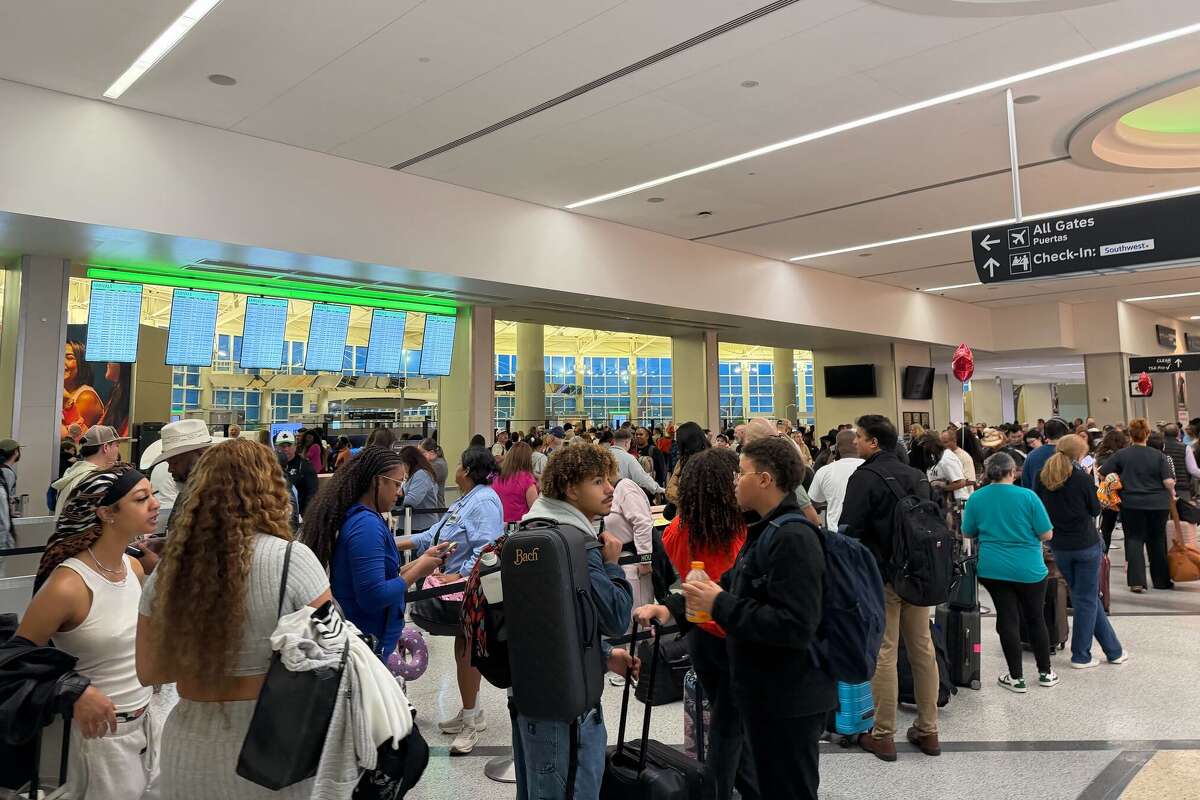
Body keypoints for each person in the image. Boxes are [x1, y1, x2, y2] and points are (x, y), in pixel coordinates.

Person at [136, 439, 334, 798]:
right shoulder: (293, 559)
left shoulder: (173, 569)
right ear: (272, 489)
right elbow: (331, 654)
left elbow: (150, 671)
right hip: (275, 745)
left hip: (190, 745)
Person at [680, 436, 834, 800]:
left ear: (765, 480)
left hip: (793, 696)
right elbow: (731, 584)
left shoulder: (793, 537)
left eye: (742, 473)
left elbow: (795, 625)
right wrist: (673, 607)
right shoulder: (764, 530)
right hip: (770, 691)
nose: (734, 480)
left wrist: (718, 604)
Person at [18, 464, 160, 799]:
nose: (154, 503)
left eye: (152, 494)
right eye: (141, 498)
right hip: (99, 740)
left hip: (145, 728)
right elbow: (15, 660)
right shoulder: (68, 586)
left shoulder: (134, 567)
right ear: (107, 513)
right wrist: (72, 689)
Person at [512, 444, 636, 800]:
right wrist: (612, 563)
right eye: (598, 481)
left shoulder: (530, 531)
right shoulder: (578, 542)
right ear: (570, 489)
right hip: (571, 708)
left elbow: (554, 621)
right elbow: (615, 615)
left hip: (530, 696)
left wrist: (603, 653)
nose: (610, 488)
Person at [633, 448, 756, 800]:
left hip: (701, 637)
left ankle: (748, 787)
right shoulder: (741, 533)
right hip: (734, 636)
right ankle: (716, 793)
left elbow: (678, 576)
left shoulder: (677, 532)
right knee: (730, 729)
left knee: (726, 719)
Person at [840, 415, 940, 762]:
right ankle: (928, 730)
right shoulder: (916, 475)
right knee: (922, 648)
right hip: (919, 574)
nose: (855, 442)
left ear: (873, 443)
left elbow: (849, 529)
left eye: (860, 437)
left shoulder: (864, 477)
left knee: (885, 649)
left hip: (882, 576)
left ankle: (883, 735)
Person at [302, 445, 449, 660]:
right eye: (397, 484)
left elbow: (384, 574)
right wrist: (417, 572)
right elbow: (374, 595)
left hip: (369, 641)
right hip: (367, 645)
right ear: (377, 481)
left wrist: (423, 561)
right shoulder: (365, 526)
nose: (400, 492)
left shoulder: (366, 518)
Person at [401, 447, 504, 754]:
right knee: (463, 649)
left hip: (472, 590)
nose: (456, 469)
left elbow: (486, 548)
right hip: (461, 586)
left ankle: (471, 721)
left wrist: (459, 575)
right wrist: (391, 540)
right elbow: (433, 535)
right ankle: (471, 711)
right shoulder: (466, 500)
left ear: (469, 470)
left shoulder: (484, 501)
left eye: (460, 464)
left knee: (468, 651)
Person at [962, 452, 1058, 692]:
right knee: (1036, 617)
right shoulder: (1028, 496)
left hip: (993, 568)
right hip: (1029, 568)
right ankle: (1045, 672)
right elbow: (1047, 534)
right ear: (1012, 471)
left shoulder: (977, 498)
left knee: (1007, 618)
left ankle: (1016, 678)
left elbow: (967, 532)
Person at [1037, 435, 1128, 668]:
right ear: (1079, 454)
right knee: (1086, 599)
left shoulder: (1043, 478)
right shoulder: (1081, 478)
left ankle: (1114, 650)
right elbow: (1094, 508)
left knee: (1083, 596)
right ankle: (1081, 655)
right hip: (1085, 544)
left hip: (1059, 546)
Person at [1099, 418, 1176, 592]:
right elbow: (1168, 481)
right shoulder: (1160, 456)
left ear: (1130, 435)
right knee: (1157, 540)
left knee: (1134, 539)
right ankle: (1161, 581)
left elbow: (1103, 473)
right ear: (1147, 434)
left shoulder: (1121, 455)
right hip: (1158, 503)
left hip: (1131, 503)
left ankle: (1136, 581)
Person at [603, 458, 655, 642]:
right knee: (624, 622)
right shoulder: (607, 494)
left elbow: (642, 523)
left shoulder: (625, 487)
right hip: (617, 563)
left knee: (638, 619)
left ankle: (645, 664)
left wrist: (645, 560)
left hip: (633, 563)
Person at [741, 418, 823, 526]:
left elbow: (812, 519)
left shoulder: (781, 474)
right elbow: (813, 519)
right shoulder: (782, 472)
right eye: (776, 437)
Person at [148, 419, 216, 538]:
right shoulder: (186, 493)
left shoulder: (222, 497)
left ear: (201, 454)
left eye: (175, 462)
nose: (170, 469)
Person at [50, 425, 129, 517]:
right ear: (106, 447)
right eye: (117, 446)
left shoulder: (74, 474)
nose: (117, 450)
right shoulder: (95, 481)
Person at [808, 429, 863, 530]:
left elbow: (814, 501)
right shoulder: (871, 467)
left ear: (836, 448)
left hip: (836, 534)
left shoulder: (825, 471)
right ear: (858, 444)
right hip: (867, 535)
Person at [394, 445, 442, 534]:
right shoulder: (413, 475)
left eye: (402, 464)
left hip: (421, 527)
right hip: (410, 525)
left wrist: (394, 499)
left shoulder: (421, 474)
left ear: (410, 462)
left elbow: (412, 500)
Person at [492, 441, 540, 525]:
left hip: (499, 529)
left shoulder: (497, 478)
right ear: (527, 459)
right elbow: (535, 513)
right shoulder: (527, 479)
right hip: (520, 530)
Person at [62, 340, 102, 438]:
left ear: (81, 363)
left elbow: (76, 438)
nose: (61, 362)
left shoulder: (86, 397)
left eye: (69, 358)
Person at [608, 427, 663, 497]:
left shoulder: (603, 454)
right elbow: (643, 479)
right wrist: (659, 489)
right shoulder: (629, 458)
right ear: (626, 443)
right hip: (621, 496)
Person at [275, 429, 318, 514]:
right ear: (276, 447)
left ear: (295, 446)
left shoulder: (305, 467)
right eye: (282, 446)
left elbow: (312, 494)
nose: (286, 449)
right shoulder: (270, 467)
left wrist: (305, 516)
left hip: (299, 516)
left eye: (289, 445)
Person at [1022, 418, 1070, 493]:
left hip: (1038, 501)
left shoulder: (1031, 456)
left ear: (1045, 434)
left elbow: (1026, 485)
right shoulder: (1070, 454)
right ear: (1066, 434)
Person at [942, 428, 977, 497]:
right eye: (941, 442)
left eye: (945, 442)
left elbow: (971, 480)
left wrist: (949, 486)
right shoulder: (942, 455)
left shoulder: (964, 456)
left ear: (954, 441)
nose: (943, 445)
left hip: (964, 496)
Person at [1161, 423, 1191, 500]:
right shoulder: (1185, 447)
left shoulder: (1160, 446)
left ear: (1164, 433)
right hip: (1182, 487)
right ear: (1178, 433)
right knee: (1185, 511)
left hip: (1163, 487)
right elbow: (1192, 469)